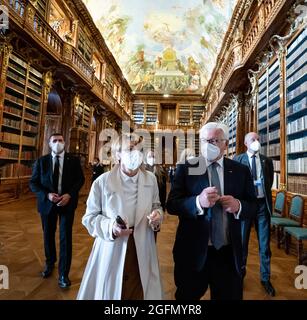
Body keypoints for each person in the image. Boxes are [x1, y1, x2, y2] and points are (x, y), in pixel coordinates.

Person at [166, 122, 257, 300]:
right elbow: (172, 204)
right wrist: (197, 202)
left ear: (225, 143)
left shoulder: (241, 171)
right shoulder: (187, 168)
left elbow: (253, 206)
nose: (210, 144)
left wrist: (239, 206)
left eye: (215, 140)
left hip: (228, 253)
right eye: (206, 140)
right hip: (192, 251)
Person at [77, 133, 164, 300]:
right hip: (112, 246)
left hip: (142, 244)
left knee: (140, 289)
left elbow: (156, 206)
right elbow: (89, 217)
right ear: (118, 154)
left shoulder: (151, 179)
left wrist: (157, 216)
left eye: (140, 149)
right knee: (112, 291)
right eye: (130, 149)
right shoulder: (102, 182)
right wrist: (111, 227)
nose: (136, 153)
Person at [30, 133, 85, 288]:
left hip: (67, 204)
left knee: (65, 237)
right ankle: (49, 263)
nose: (58, 143)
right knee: (48, 234)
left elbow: (80, 180)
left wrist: (69, 194)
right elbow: (33, 183)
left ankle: (63, 274)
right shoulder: (42, 161)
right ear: (49, 143)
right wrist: (47, 195)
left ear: (65, 143)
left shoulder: (73, 161)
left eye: (61, 140)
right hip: (47, 205)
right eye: (55, 141)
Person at [234, 132, 275, 296]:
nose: (256, 142)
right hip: (245, 206)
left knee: (264, 246)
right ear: (245, 143)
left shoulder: (267, 161)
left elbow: (269, 182)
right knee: (242, 244)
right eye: (253, 139)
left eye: (258, 139)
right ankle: (240, 276)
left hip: (261, 207)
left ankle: (266, 279)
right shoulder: (238, 160)